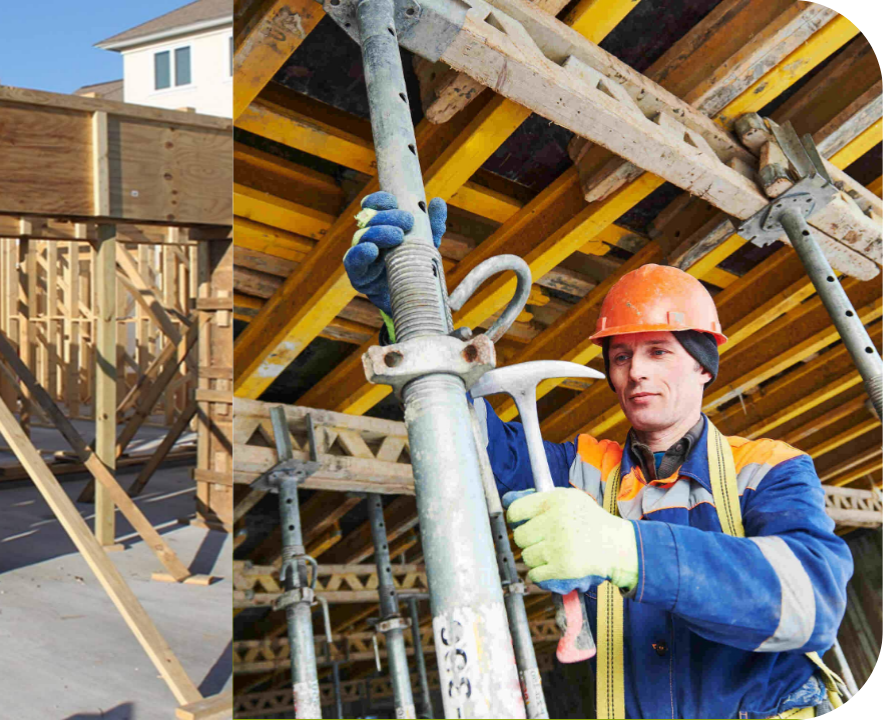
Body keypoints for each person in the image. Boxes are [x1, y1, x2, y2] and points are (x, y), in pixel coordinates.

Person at [344, 192, 853, 718]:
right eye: (621, 357)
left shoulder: (768, 467)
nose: (636, 372)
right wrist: (410, 320)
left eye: (659, 351)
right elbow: (469, 450)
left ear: (704, 366)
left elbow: (811, 601)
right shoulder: (581, 471)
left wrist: (626, 550)